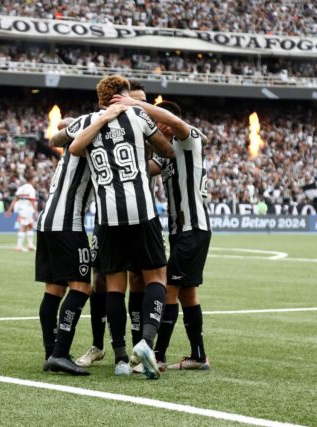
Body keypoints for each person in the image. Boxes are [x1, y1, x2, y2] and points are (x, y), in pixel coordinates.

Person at [69, 75, 174, 379]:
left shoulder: (87, 121)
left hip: (107, 215)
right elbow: (167, 150)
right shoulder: (138, 116)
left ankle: (120, 358)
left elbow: (71, 145)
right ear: (124, 95)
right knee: (156, 277)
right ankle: (146, 342)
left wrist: (98, 120)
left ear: (100, 99)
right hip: (141, 210)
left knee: (114, 285)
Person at [113, 95, 212, 371]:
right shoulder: (166, 151)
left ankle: (157, 356)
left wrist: (134, 104)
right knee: (187, 294)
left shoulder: (188, 138)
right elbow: (146, 169)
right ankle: (198, 356)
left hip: (193, 227)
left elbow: (177, 123)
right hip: (182, 231)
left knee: (169, 288)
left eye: (158, 122)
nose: (157, 127)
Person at [35, 114, 95, 376]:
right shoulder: (93, 139)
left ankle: (51, 353)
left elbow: (61, 127)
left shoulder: (76, 138)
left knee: (54, 289)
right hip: (69, 222)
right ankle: (60, 353)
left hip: (46, 220)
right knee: (82, 288)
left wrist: (73, 122)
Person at [6, 180, 37, 251]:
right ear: (31, 180)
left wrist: (9, 210)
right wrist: (36, 211)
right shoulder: (31, 189)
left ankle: (30, 245)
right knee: (24, 227)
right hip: (27, 210)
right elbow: (32, 201)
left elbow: (15, 199)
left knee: (30, 225)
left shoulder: (20, 189)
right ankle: (19, 246)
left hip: (22, 209)